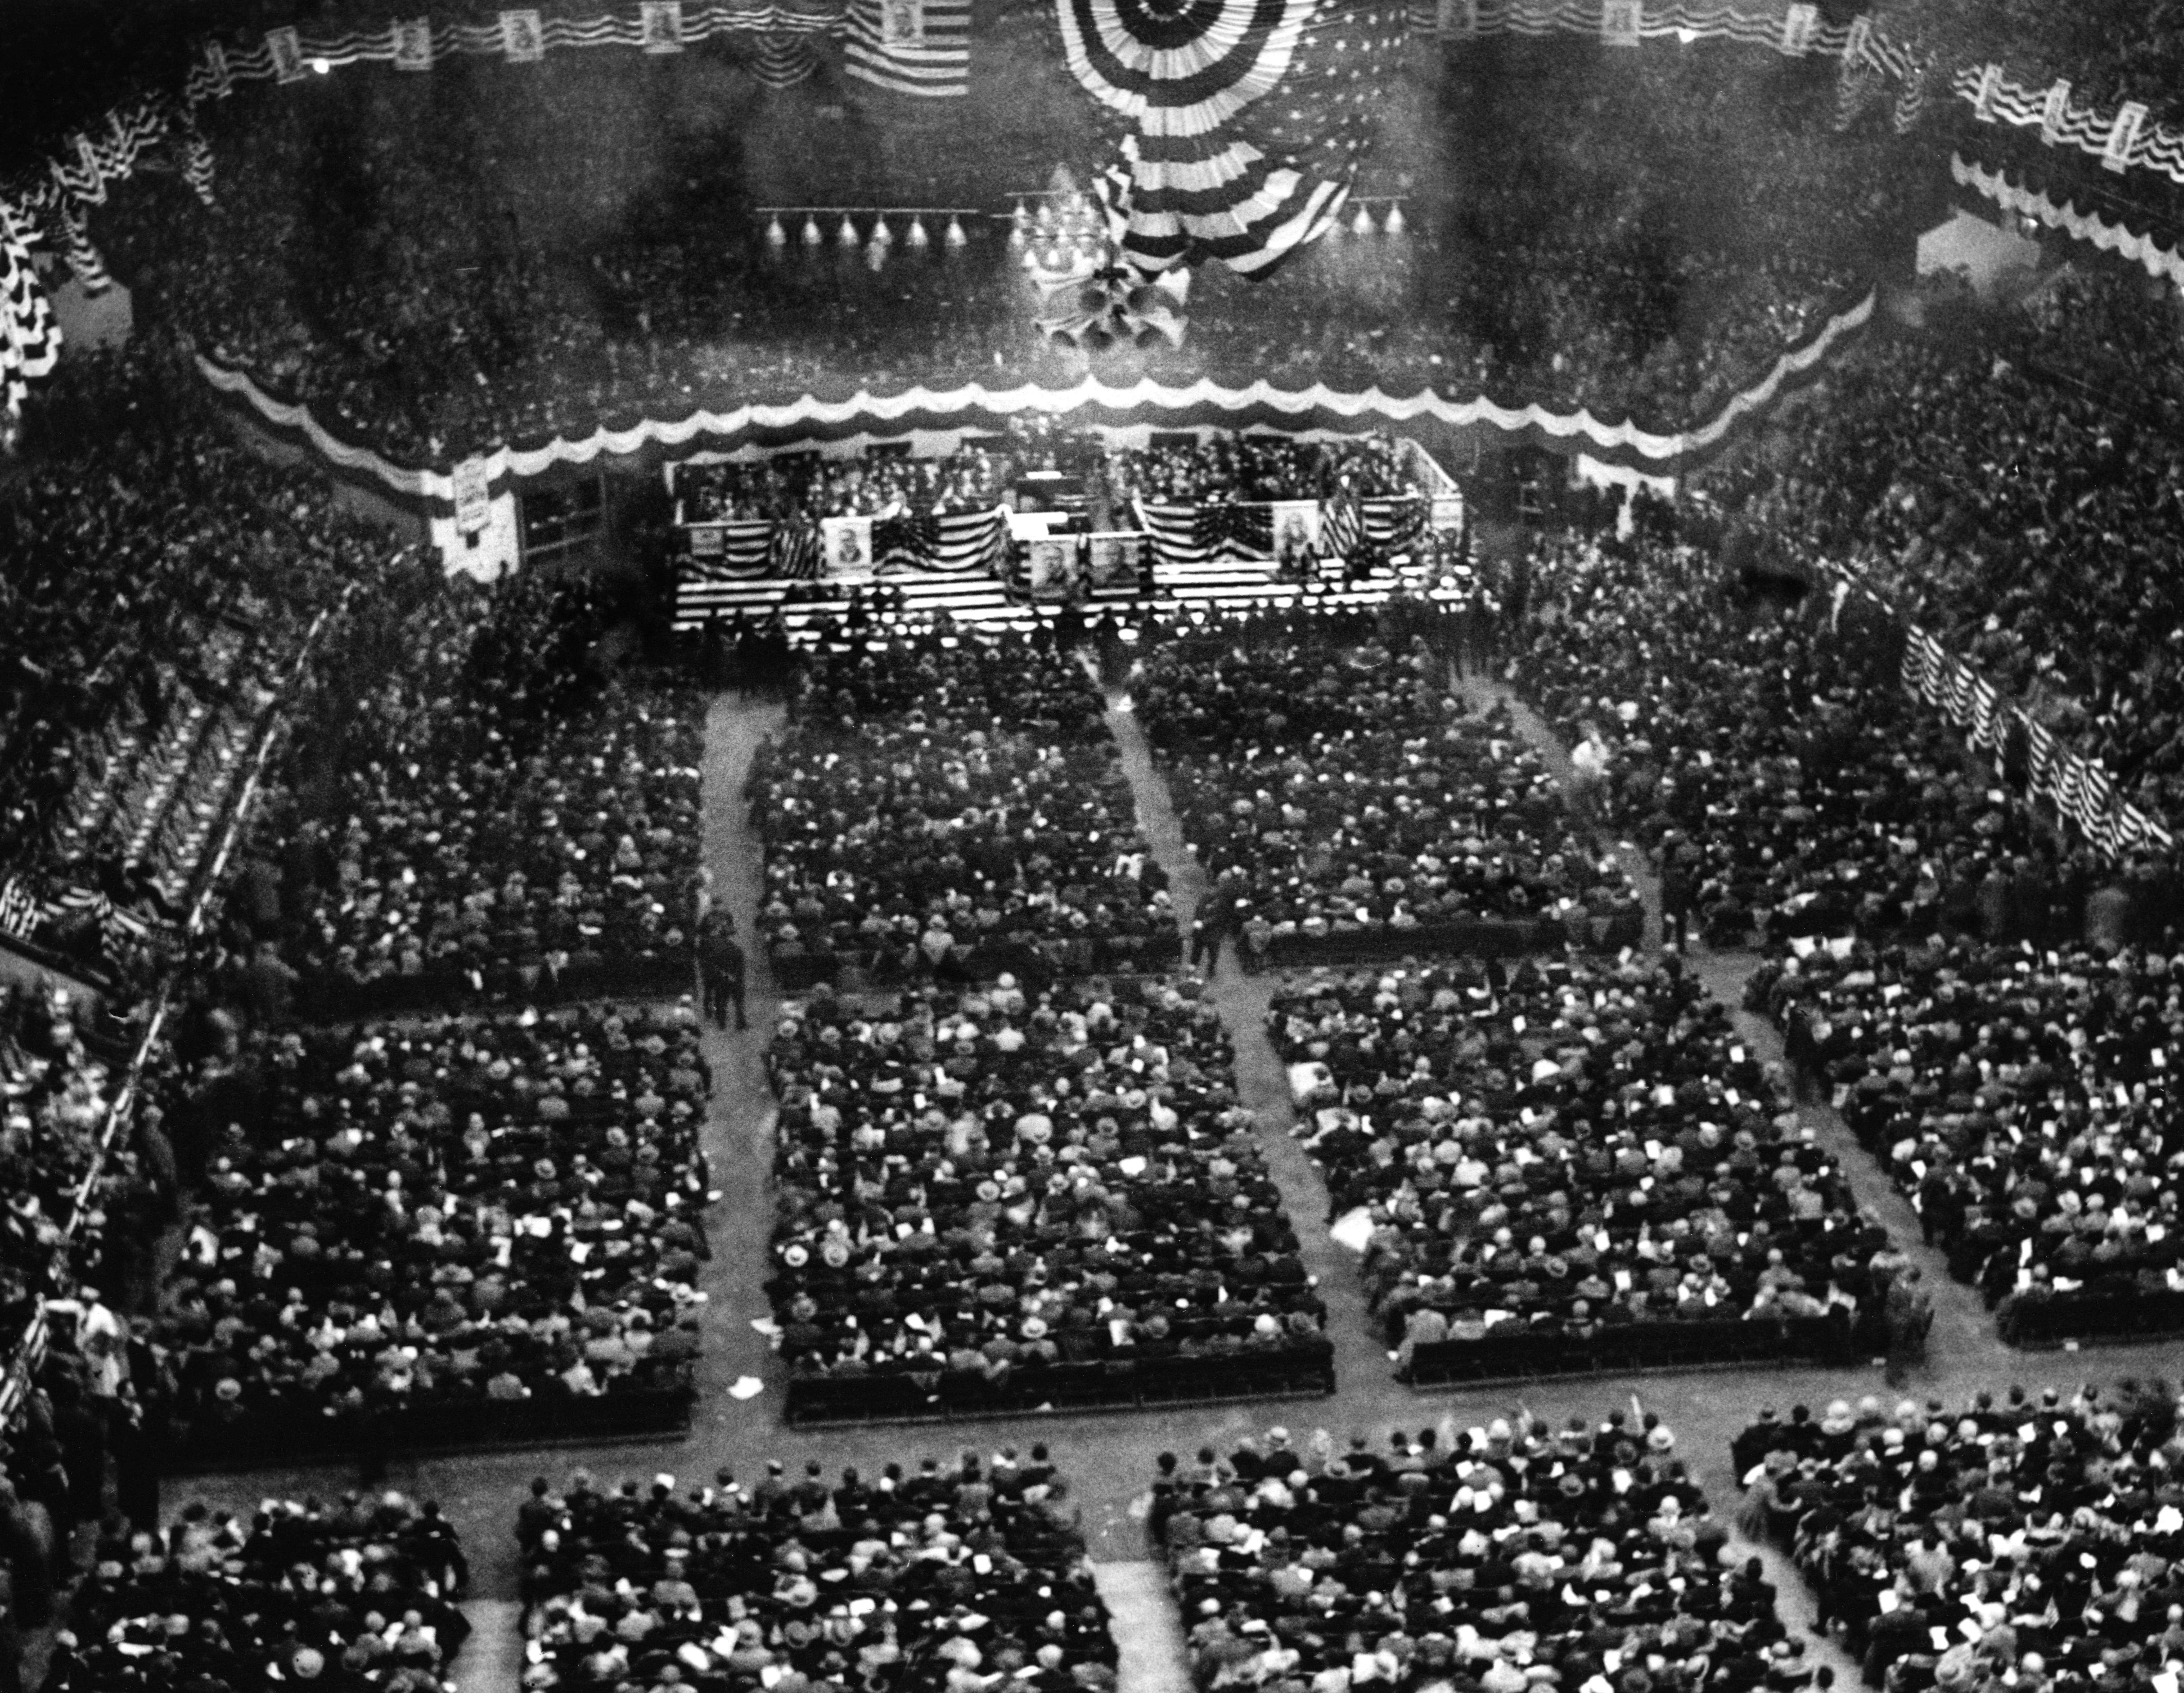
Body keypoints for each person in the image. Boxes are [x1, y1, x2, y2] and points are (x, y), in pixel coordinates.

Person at [703, 924, 747, 1031]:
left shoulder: (717, 950)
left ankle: (722, 1023)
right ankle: (740, 1023)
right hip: (735, 980)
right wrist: (736, 978)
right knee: (738, 1003)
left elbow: (713, 966)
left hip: (723, 979)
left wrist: (726, 976)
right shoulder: (737, 950)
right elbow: (741, 968)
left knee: (721, 1002)